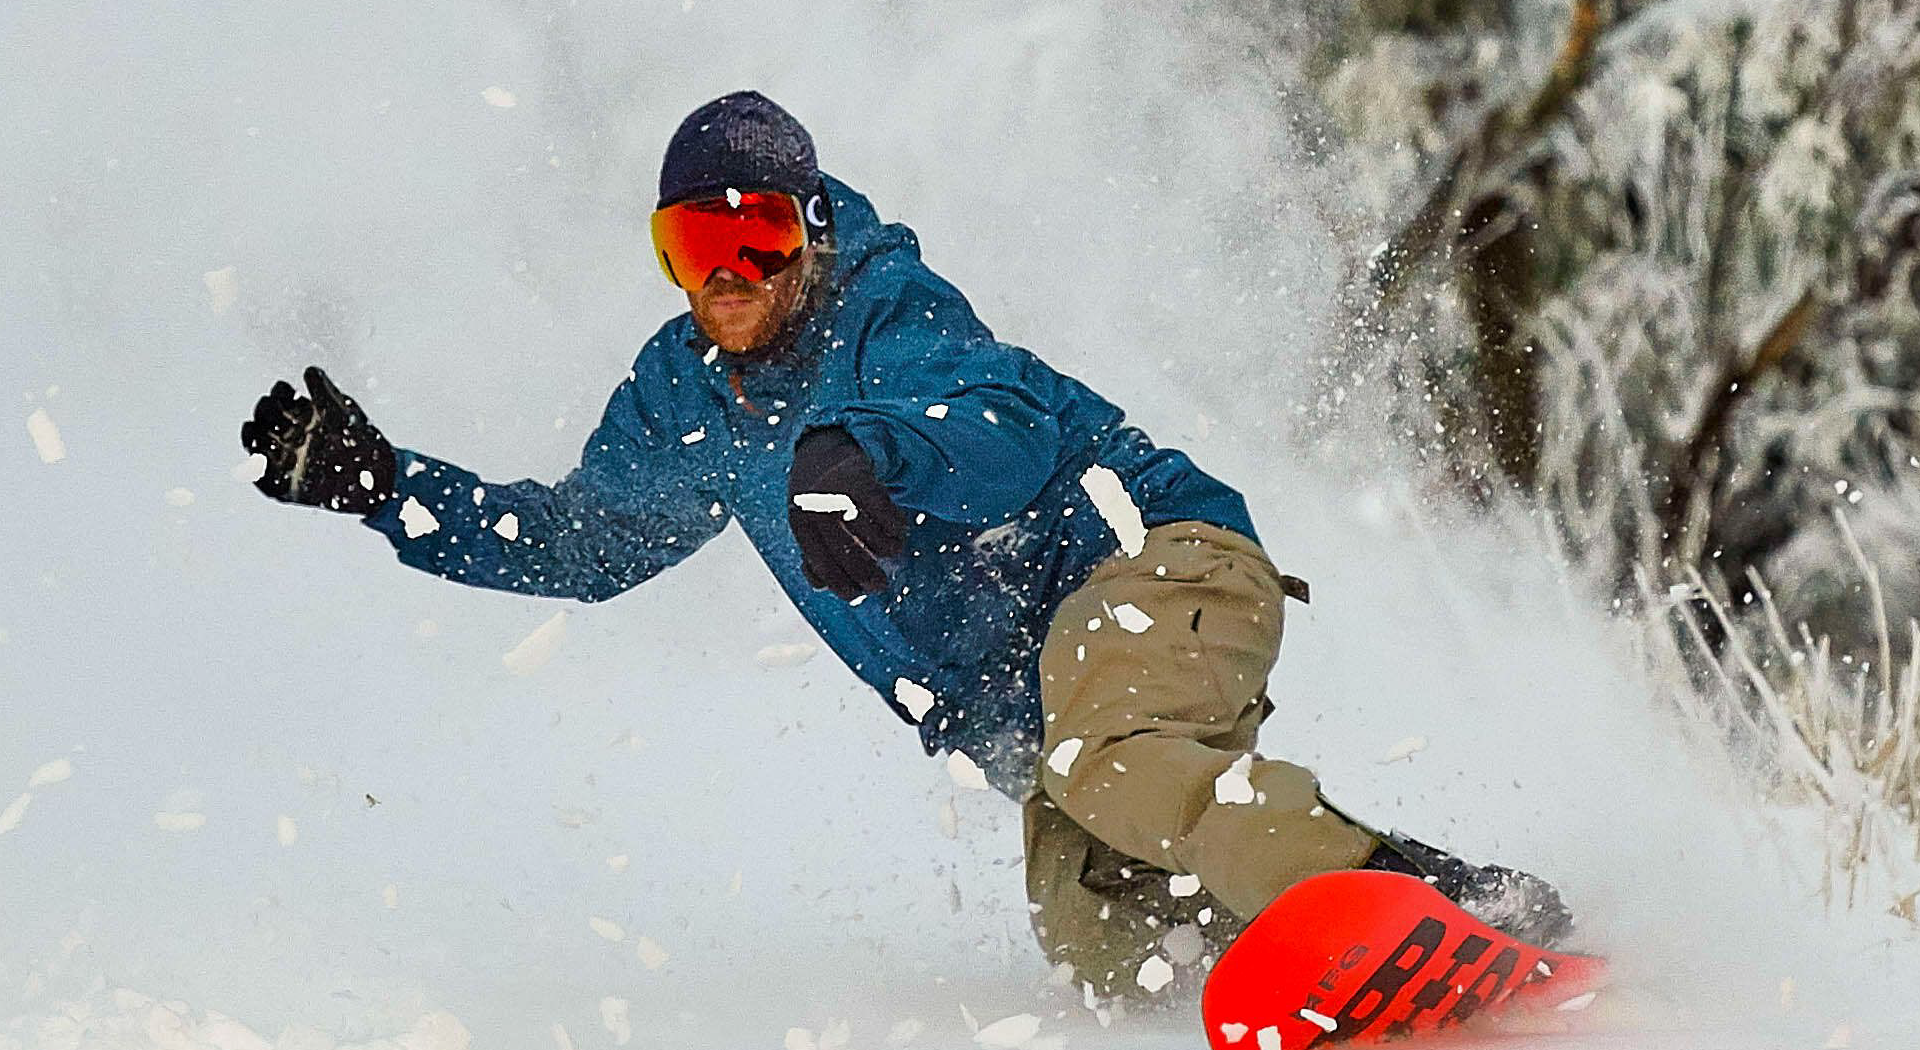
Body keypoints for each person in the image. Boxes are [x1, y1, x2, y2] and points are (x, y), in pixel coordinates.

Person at [240, 91, 1571, 1001]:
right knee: (1106, 938)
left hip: (1151, 560)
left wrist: (863, 451)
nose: (728, 274)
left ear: (811, 232)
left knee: (1106, 763)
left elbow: (996, 423)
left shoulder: (890, 310)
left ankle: (1432, 904)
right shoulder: (685, 398)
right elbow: (587, 544)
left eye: (756, 234)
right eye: (692, 244)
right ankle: (1350, 971)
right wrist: (388, 490)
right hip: (1039, 703)